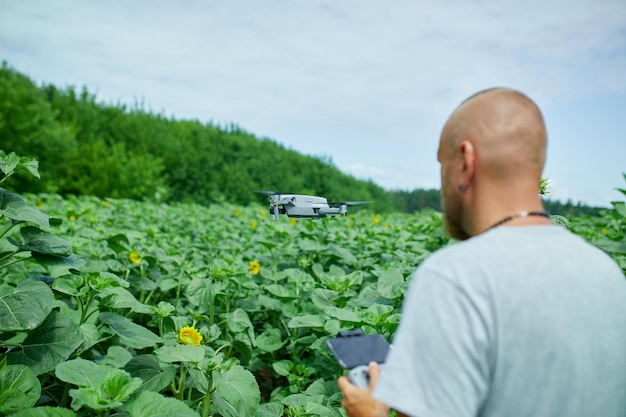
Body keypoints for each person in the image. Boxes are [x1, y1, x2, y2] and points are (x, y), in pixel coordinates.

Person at [338, 87, 626, 417]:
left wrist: (371, 414)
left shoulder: (454, 277)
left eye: (442, 165)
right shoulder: (608, 273)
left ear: (465, 161)